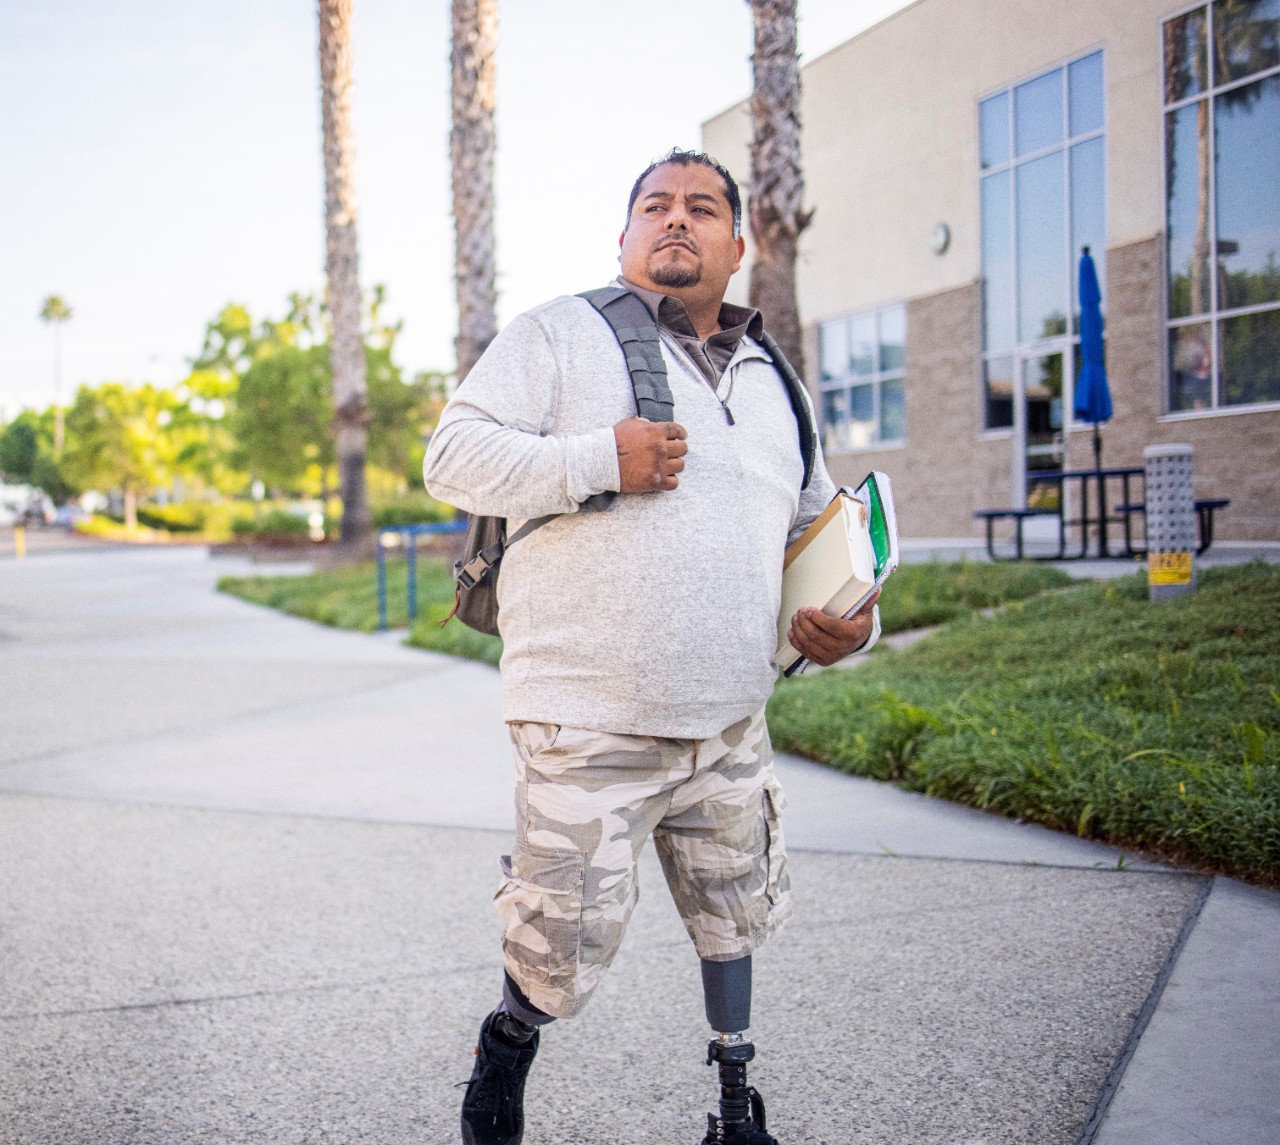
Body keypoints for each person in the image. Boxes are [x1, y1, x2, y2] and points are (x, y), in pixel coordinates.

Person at [424, 147, 880, 1145]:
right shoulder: (555, 334)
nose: (678, 220)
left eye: (703, 207)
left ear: (737, 243)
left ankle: (732, 1098)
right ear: (624, 236)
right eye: (656, 206)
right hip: (587, 712)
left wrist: (851, 623)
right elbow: (450, 456)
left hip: (728, 718)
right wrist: (602, 457)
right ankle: (505, 1041)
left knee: (735, 913)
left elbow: (815, 531)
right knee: (559, 939)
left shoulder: (776, 383)